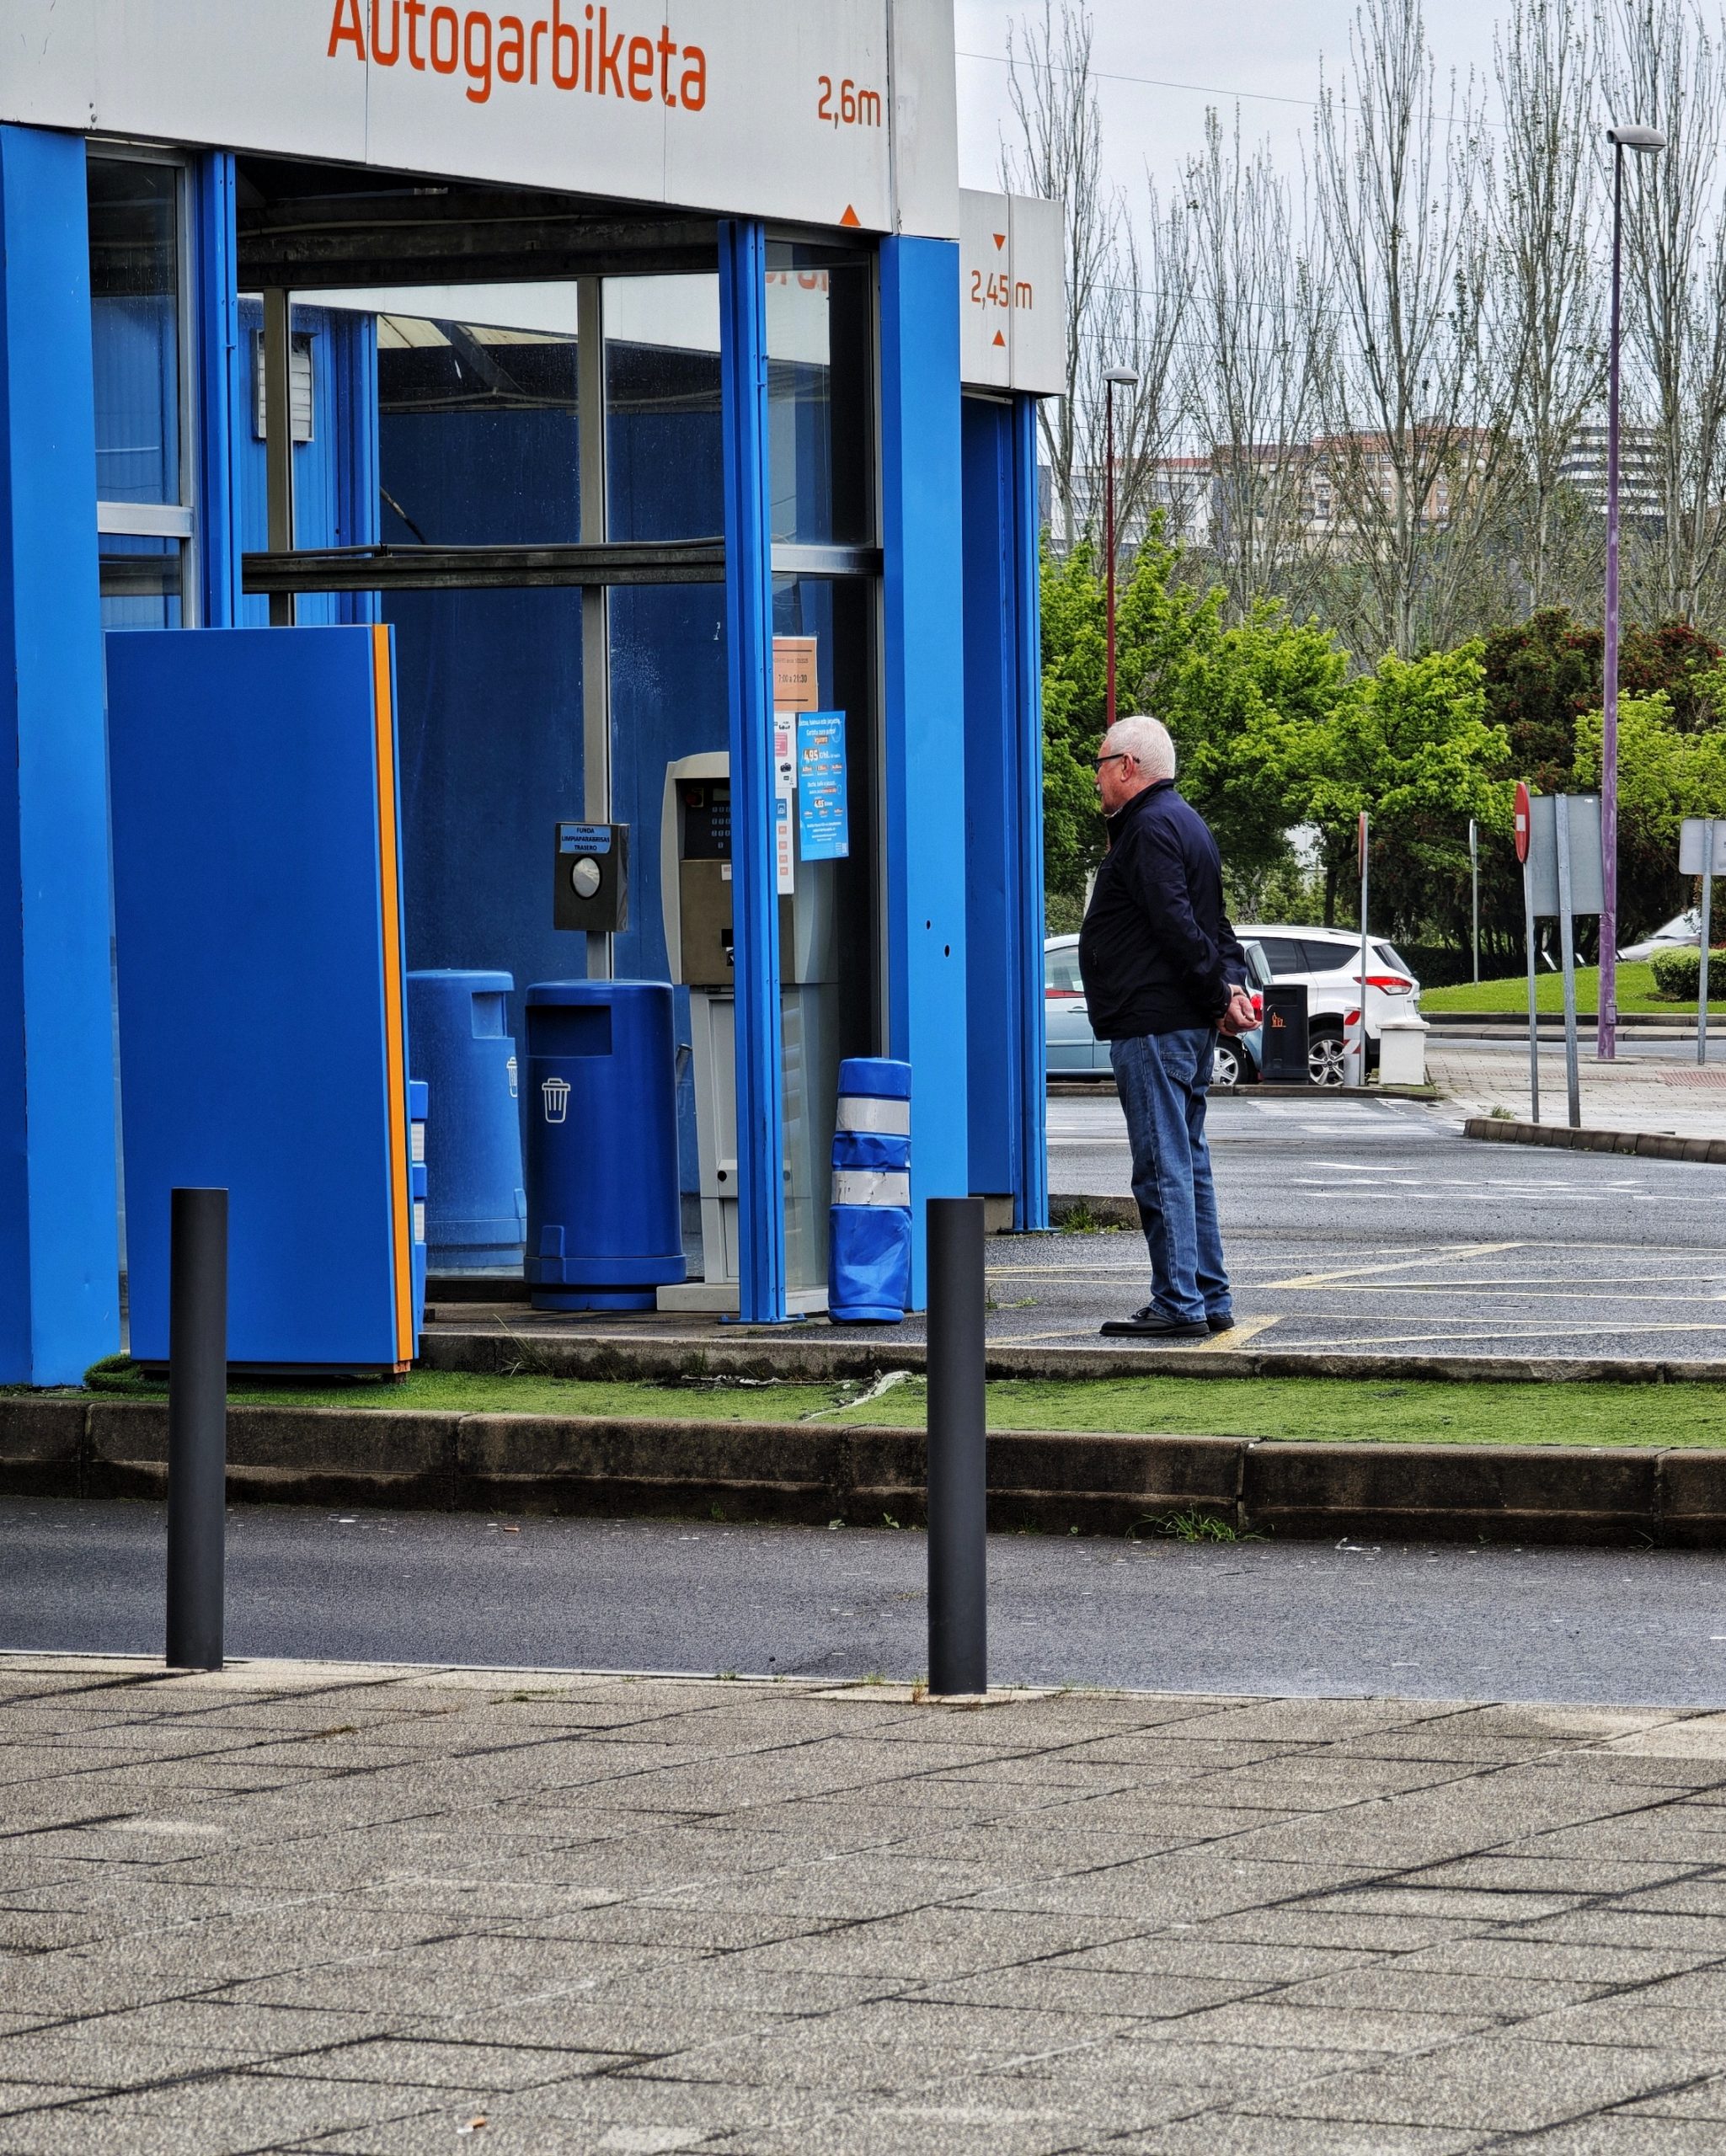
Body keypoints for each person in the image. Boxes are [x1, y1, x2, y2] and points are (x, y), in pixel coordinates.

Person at [1077, 713, 1255, 1339]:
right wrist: (1229, 988)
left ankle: (1178, 1301)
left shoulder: (1148, 827)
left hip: (1153, 1023)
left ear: (1128, 766)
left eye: (1101, 764)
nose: (1096, 778)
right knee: (1188, 1161)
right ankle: (1208, 1295)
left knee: (1161, 1165)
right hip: (1179, 1022)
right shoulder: (1185, 822)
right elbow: (1216, 924)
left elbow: (1177, 925)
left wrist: (1218, 992)